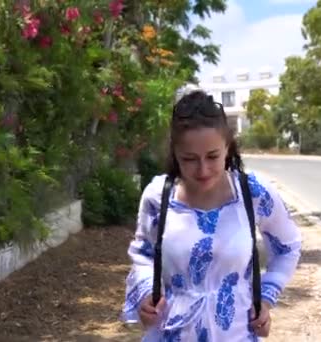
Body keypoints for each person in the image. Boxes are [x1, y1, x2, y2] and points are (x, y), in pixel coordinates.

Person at [121, 90, 302, 341]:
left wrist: (266, 298)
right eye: (190, 159)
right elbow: (142, 254)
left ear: (228, 147)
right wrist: (145, 295)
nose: (203, 169)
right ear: (175, 154)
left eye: (213, 156)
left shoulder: (254, 194)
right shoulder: (158, 196)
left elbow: (288, 247)